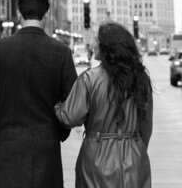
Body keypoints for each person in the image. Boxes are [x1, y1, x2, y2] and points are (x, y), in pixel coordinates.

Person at [0, 0, 77, 188]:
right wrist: (60, 130)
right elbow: (73, 102)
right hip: (47, 144)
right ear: (45, 16)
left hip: (9, 144)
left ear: (20, 15)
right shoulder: (61, 52)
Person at [55, 22, 153, 188]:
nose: (93, 45)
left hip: (96, 158)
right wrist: (136, 147)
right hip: (134, 157)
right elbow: (146, 126)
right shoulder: (141, 79)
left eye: (96, 41)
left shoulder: (89, 79)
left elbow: (69, 117)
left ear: (107, 48)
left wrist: (57, 104)